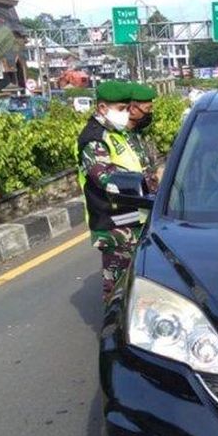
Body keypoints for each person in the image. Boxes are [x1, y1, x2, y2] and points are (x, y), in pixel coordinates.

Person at [75, 81, 158, 303]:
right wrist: (148, 185)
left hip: (134, 217)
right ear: (103, 108)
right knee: (118, 291)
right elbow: (108, 179)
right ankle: (114, 333)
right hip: (113, 223)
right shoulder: (94, 139)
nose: (126, 113)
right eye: (121, 109)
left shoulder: (118, 134)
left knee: (140, 284)